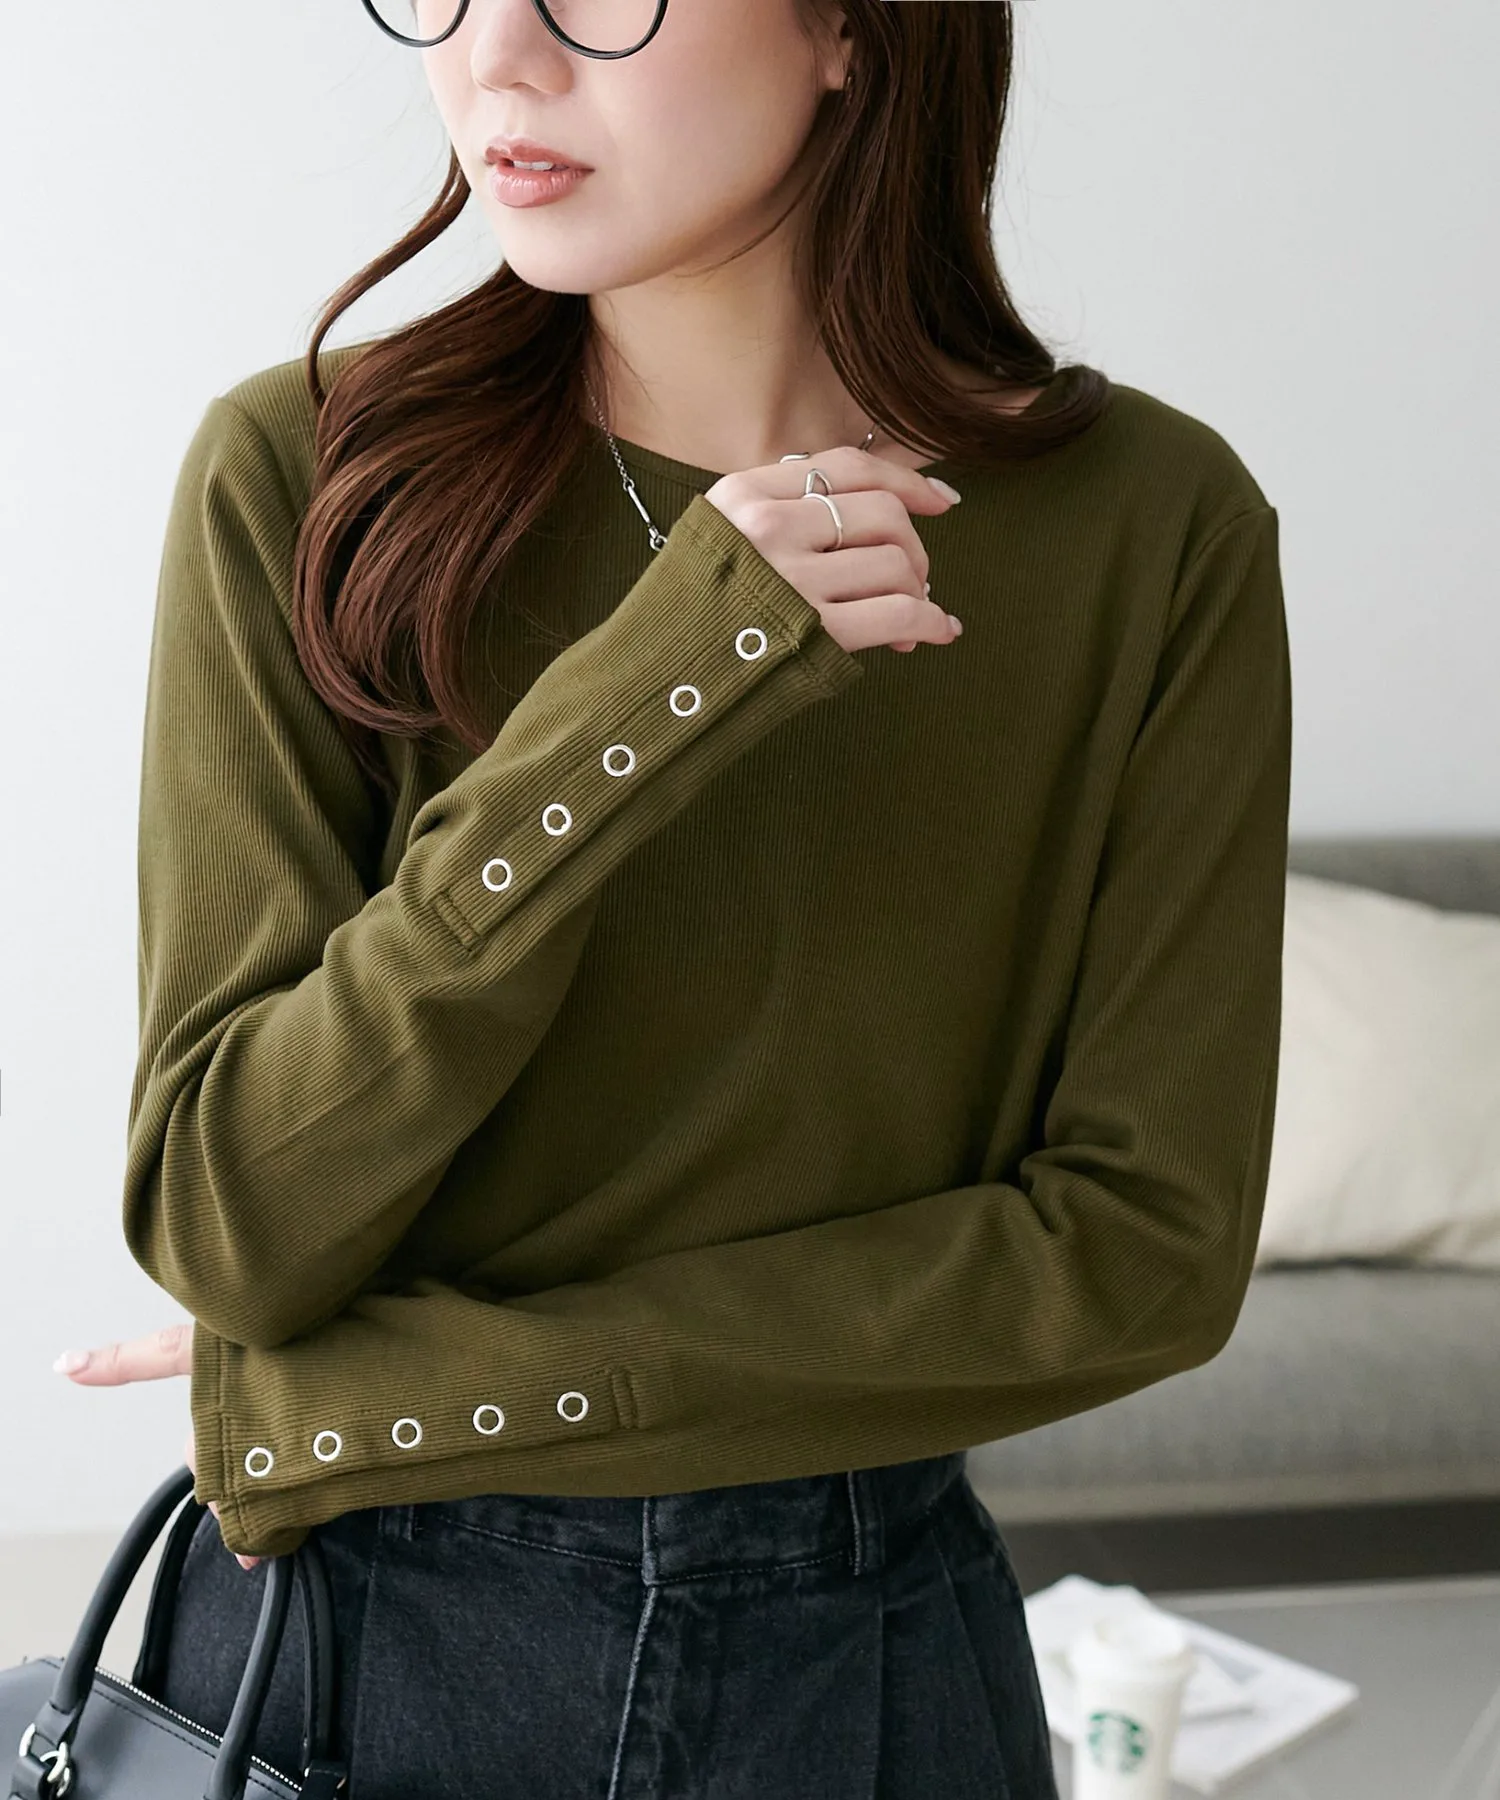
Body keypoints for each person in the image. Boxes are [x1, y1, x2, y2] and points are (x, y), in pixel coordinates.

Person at [55, 0, 1293, 1795]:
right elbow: (232, 1215)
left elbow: (1141, 1256)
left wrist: (404, 1396)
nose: (495, 59)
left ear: (851, 27)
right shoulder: (309, 475)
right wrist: (665, 681)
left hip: (867, 1666)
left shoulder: (1152, 526)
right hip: (356, 1651)